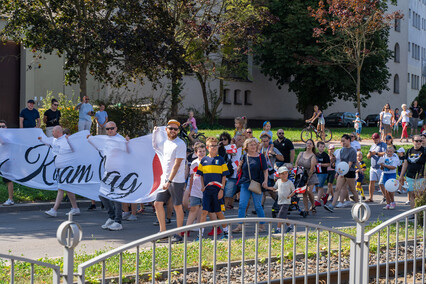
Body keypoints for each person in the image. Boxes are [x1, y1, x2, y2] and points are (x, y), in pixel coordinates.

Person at [88, 121, 129, 231]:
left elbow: (128, 152)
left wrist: (128, 143)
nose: (110, 130)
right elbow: (97, 145)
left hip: (119, 173)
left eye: (112, 128)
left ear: (116, 128)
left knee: (116, 196)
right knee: (102, 194)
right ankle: (111, 217)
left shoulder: (121, 140)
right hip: (108, 173)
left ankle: (118, 221)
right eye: (107, 129)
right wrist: (90, 139)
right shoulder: (105, 140)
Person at [152, 119, 187, 242]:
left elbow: (177, 165)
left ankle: (179, 234)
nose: (173, 131)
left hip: (176, 180)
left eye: (175, 129)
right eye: (170, 128)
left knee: (177, 206)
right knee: (157, 204)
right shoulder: (166, 142)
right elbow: (155, 146)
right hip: (166, 179)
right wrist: (155, 133)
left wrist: (169, 181)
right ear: (166, 129)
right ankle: (163, 232)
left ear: (178, 131)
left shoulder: (180, 144)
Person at [39, 126, 80, 217]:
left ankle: (54, 210)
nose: (52, 133)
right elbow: (47, 141)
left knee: (61, 188)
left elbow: (72, 151)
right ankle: (75, 208)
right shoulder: (54, 140)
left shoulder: (65, 141)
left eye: (53, 131)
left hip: (66, 168)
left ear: (58, 132)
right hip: (60, 169)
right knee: (68, 189)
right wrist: (40, 138)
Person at [197, 137, 230, 239]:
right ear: (207, 147)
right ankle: (200, 235)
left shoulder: (221, 160)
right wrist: (202, 186)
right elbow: (201, 175)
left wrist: (221, 190)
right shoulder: (204, 160)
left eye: (216, 145)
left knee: (219, 212)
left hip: (217, 191)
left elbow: (224, 176)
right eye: (212, 145)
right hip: (207, 191)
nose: (214, 147)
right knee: (204, 212)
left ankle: (226, 233)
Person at [233, 138, 268, 233]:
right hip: (245, 183)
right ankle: (239, 226)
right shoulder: (244, 157)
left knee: (258, 206)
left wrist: (265, 181)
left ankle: (262, 225)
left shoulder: (261, 157)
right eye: (251, 145)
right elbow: (239, 171)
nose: (253, 146)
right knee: (242, 204)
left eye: (254, 144)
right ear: (246, 147)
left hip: (257, 184)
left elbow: (265, 170)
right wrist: (239, 166)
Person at [324, 135, 360, 212]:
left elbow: (350, 164)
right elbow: (341, 162)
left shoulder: (352, 151)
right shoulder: (342, 150)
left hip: (350, 172)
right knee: (337, 188)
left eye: (344, 141)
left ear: (348, 140)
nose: (342, 142)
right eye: (342, 141)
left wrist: (343, 172)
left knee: (352, 189)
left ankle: (359, 205)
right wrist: (338, 172)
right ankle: (332, 206)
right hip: (342, 172)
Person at [265, 166, 295, 234]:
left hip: (286, 202)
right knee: (283, 215)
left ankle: (278, 229)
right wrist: (267, 187)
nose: (284, 175)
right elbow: (274, 188)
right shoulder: (278, 181)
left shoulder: (289, 182)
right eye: (282, 174)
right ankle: (290, 227)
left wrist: (290, 195)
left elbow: (294, 191)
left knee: (280, 215)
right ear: (279, 175)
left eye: (286, 173)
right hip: (280, 201)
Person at [399, 135, 426, 209]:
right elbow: (405, 163)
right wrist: (401, 176)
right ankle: (413, 213)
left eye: (420, 141)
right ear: (413, 141)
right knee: (411, 194)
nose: (419, 142)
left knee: (419, 195)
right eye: (417, 141)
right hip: (410, 176)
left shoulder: (424, 151)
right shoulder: (409, 151)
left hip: (420, 176)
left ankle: (420, 214)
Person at [259, 134, 283, 209]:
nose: (265, 142)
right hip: (260, 173)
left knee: (271, 191)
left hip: (269, 173)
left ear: (269, 141)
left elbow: (282, 158)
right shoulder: (259, 149)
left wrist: (274, 154)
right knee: (261, 191)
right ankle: (260, 207)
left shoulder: (272, 149)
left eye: (267, 141)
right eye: (263, 141)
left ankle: (280, 203)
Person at [185, 143, 206, 230]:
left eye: (204, 151)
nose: (202, 153)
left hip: (206, 189)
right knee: (193, 208)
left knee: (206, 210)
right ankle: (186, 229)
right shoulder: (194, 163)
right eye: (200, 151)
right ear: (196, 153)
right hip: (195, 189)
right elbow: (192, 177)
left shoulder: (208, 161)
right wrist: (190, 190)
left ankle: (200, 226)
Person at [295, 139, 319, 215]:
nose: (308, 144)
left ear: (312, 146)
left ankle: (313, 205)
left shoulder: (313, 156)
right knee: (304, 192)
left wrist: (307, 180)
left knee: (309, 191)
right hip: (301, 174)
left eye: (310, 143)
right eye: (307, 143)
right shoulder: (301, 153)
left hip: (310, 175)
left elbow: (312, 169)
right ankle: (306, 209)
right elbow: (296, 164)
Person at [224, 134, 244, 210]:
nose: (240, 141)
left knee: (244, 198)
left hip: (243, 177)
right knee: (227, 194)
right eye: (238, 140)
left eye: (241, 140)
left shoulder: (245, 150)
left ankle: (243, 215)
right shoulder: (231, 148)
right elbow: (229, 154)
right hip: (233, 176)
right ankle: (222, 212)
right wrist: (232, 144)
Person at [366, 133, 387, 202]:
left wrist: (376, 153)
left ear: (379, 138)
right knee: (371, 182)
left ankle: (385, 196)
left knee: (381, 183)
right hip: (373, 167)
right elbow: (368, 156)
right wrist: (370, 154)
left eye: (376, 139)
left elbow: (385, 153)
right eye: (374, 139)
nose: (375, 140)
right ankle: (370, 197)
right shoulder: (372, 146)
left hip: (380, 167)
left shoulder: (383, 145)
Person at [0, 120, 15, 206]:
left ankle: (10, 199)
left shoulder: (10, 136)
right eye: (0, 127)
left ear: (6, 127)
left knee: (8, 180)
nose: (1, 128)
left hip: (6, 161)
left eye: (3, 126)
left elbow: (4, 142)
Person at [315, 141, 330, 206]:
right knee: (316, 187)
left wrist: (321, 164)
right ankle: (323, 195)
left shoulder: (325, 155)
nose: (322, 148)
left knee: (320, 186)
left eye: (323, 147)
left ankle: (318, 200)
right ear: (317, 147)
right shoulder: (316, 155)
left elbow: (328, 164)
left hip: (323, 173)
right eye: (320, 147)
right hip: (316, 172)